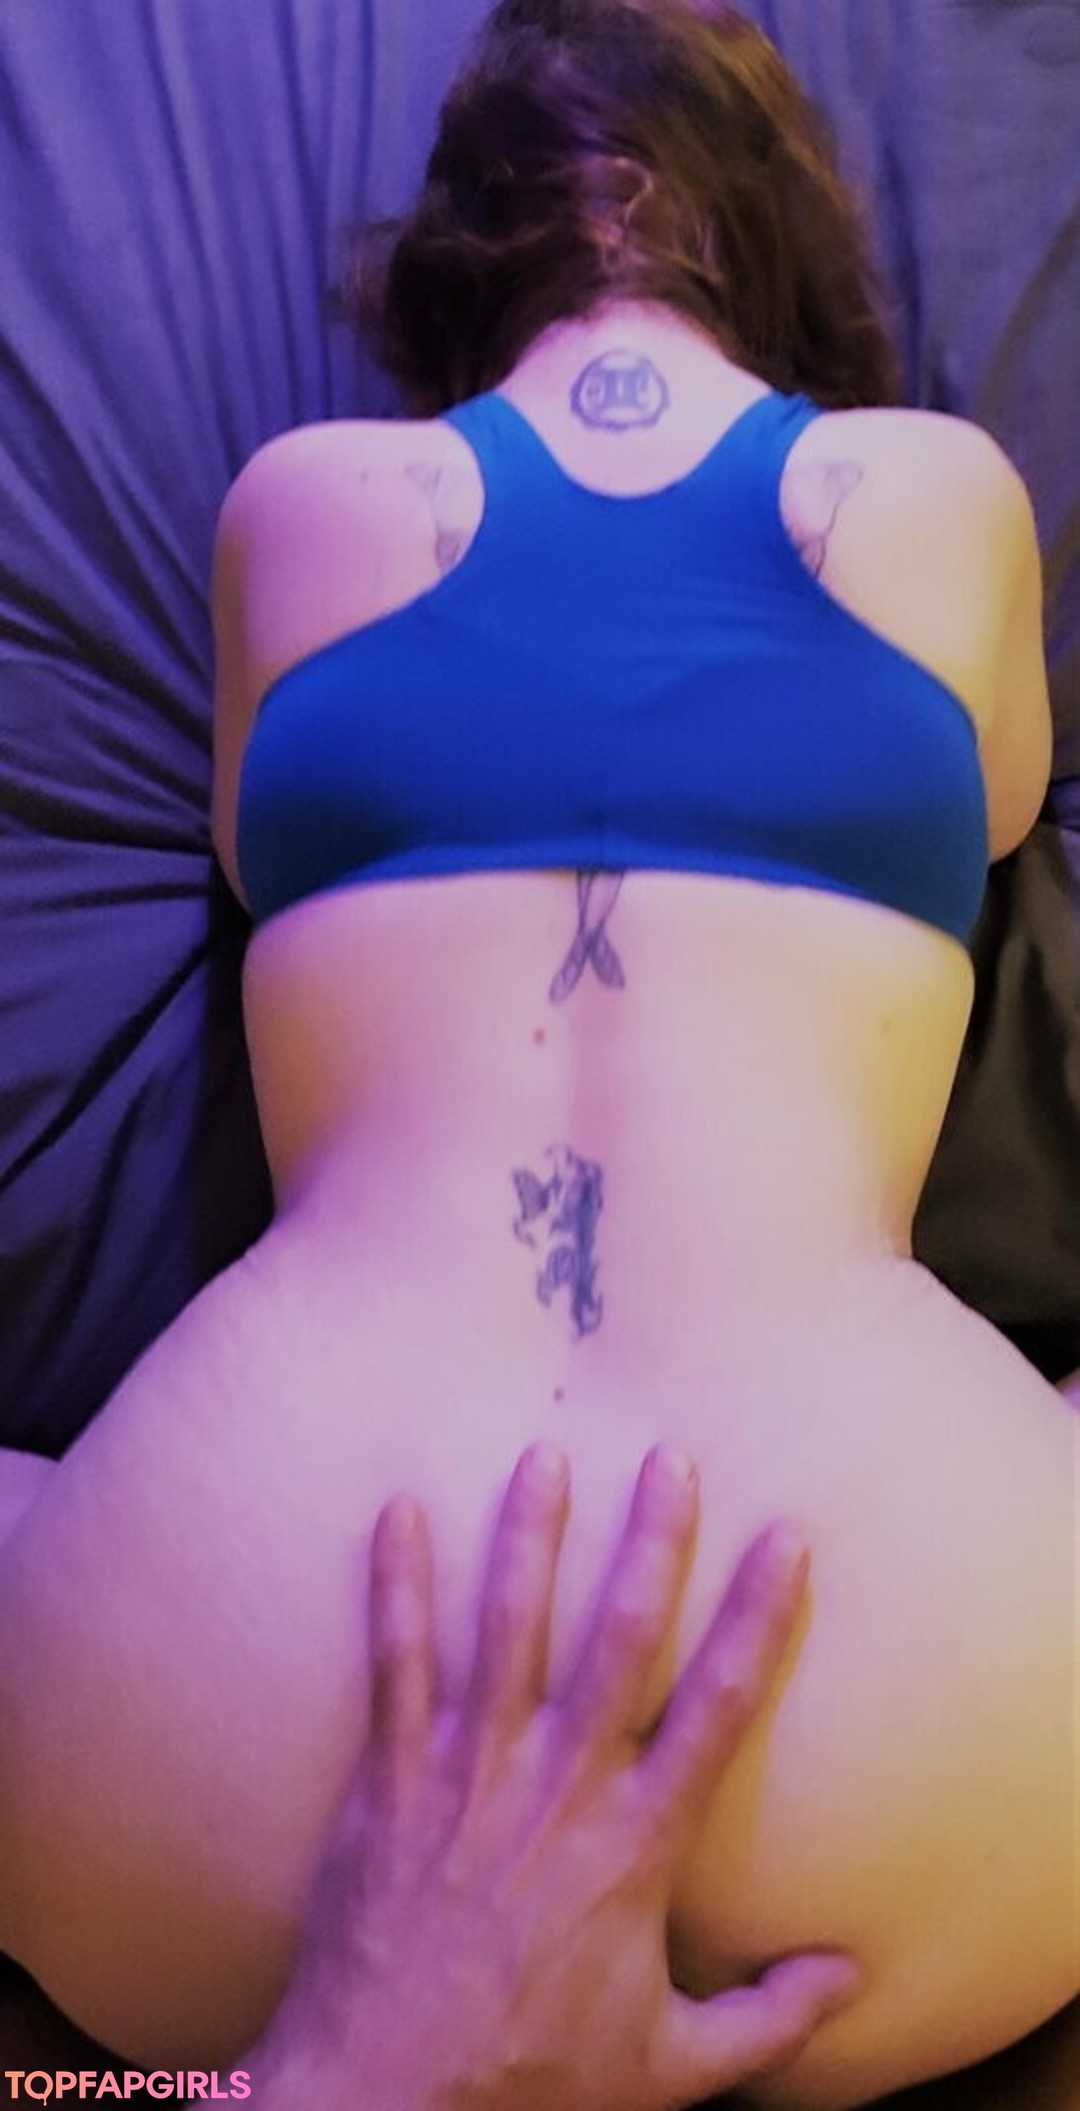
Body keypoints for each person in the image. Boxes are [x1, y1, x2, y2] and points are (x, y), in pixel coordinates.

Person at [0, 2, 1073, 2104]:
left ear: (448, 259)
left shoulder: (311, 506)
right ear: (795, 237)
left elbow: (250, 847)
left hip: (204, 1764)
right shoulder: (940, 497)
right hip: (923, 1750)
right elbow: (1006, 805)